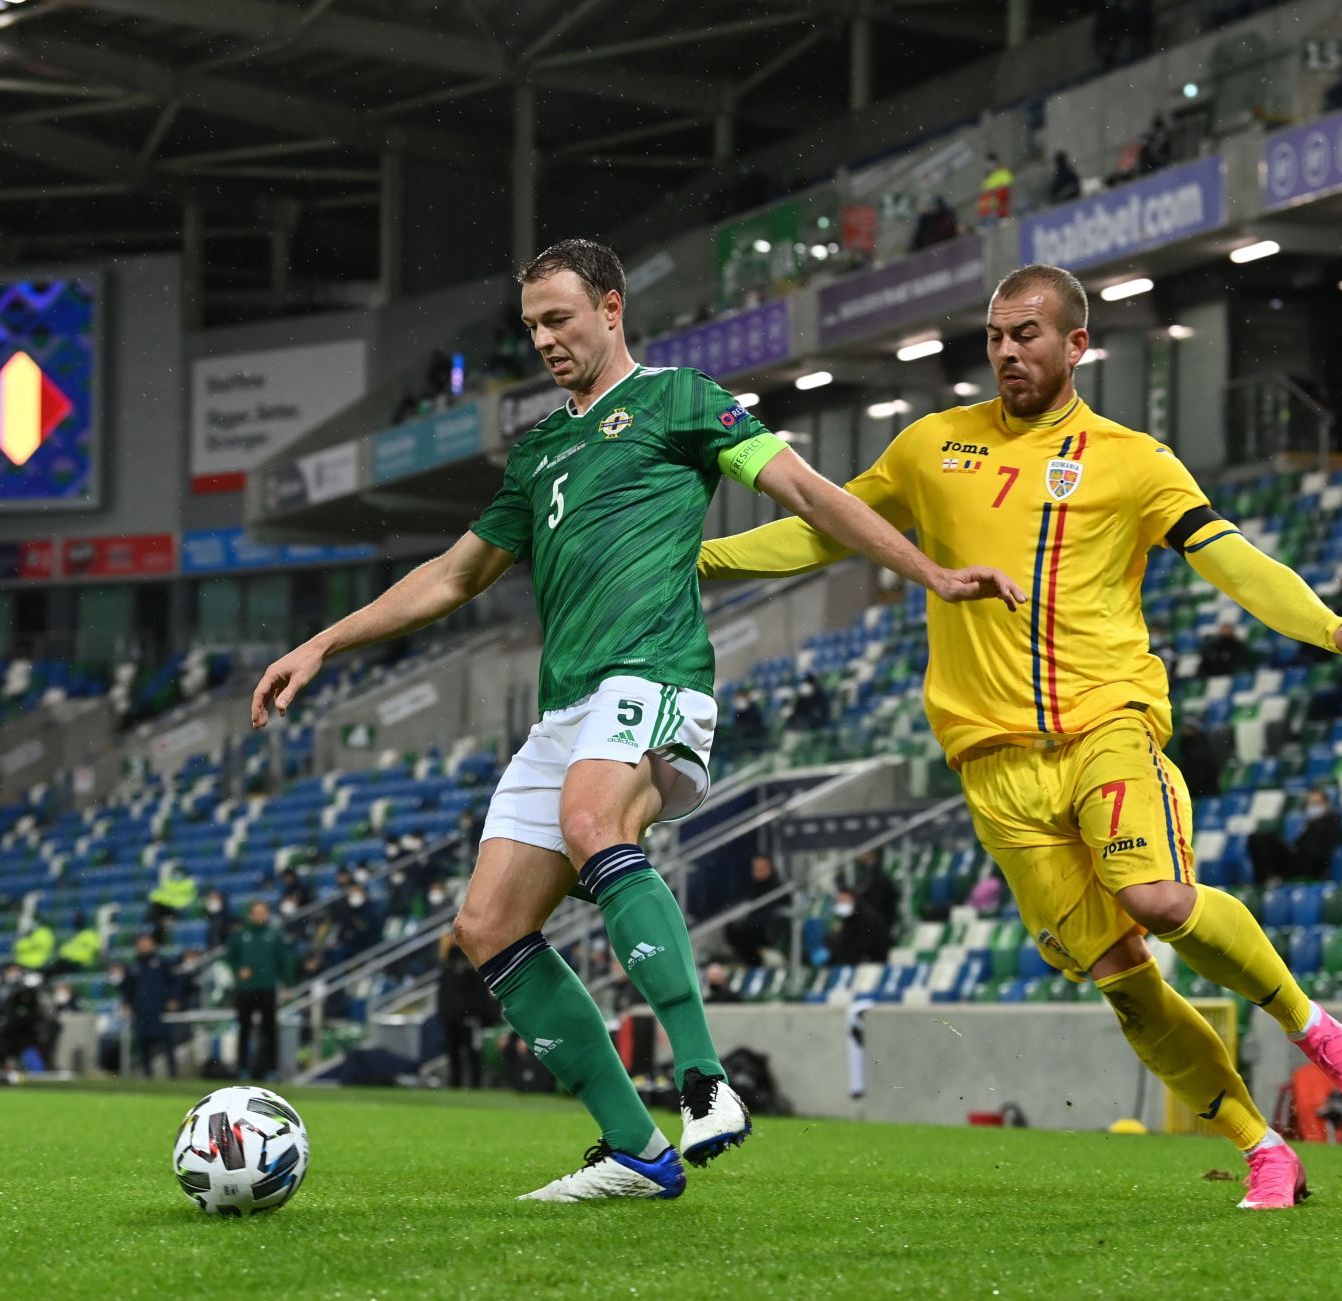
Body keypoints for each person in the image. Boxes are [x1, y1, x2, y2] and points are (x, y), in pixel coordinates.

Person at [252, 236, 1014, 1203]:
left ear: (612, 309)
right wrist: (323, 642)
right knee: (486, 924)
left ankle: (705, 1080)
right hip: (568, 706)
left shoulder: (679, 400)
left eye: (560, 317)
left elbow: (811, 494)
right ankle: (636, 1150)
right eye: (531, 326)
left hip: (652, 674)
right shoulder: (540, 452)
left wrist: (932, 574)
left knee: (591, 820)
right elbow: (452, 576)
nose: (544, 339)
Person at [699, 261, 1342, 1210]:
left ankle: (1312, 1024)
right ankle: (1261, 1146)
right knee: (1122, 976)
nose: (1006, 351)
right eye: (995, 334)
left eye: (1026, 334)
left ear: (1077, 344)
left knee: (1157, 899)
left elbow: (1233, 559)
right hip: (991, 768)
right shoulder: (929, 446)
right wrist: (700, 559)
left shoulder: (1133, 458)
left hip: (1102, 724)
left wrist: (1330, 626)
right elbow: (827, 530)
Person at [225, 899, 293, 1080]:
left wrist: (286, 983)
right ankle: (242, 1068)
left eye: (263, 912)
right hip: (246, 989)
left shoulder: (274, 935)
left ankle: (271, 1069)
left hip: (267, 988)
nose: (260, 916)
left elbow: (284, 960)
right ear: (251, 914)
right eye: (257, 912)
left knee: (269, 1030)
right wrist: (239, 970)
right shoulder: (240, 935)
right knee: (244, 1029)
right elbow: (230, 958)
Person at [1248, 789, 1342, 886]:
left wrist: (1301, 849)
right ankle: (1264, 880)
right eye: (1310, 803)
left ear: (1326, 804)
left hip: (1311, 866)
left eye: (1317, 803)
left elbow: (1330, 850)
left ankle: (1266, 879)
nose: (1313, 807)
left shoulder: (1333, 823)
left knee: (1268, 839)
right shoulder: (1311, 822)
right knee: (1257, 838)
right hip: (1299, 859)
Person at [435, 933, 495, 1089]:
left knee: (472, 1050)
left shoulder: (472, 960)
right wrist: (444, 1013)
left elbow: (479, 992)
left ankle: (476, 1083)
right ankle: (454, 1082)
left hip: (469, 1016)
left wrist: (473, 1013)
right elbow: (444, 992)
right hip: (450, 1016)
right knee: (453, 1050)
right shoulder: (447, 963)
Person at [121, 932, 179, 1077]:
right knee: (144, 1046)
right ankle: (147, 1076)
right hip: (141, 1011)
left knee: (167, 1044)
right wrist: (127, 1004)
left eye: (147, 942)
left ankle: (172, 1075)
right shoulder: (133, 966)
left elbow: (173, 983)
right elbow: (127, 988)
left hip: (160, 1010)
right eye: (141, 943)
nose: (144, 945)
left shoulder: (163, 963)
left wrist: (173, 999)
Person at [724, 854, 788, 967]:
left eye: (762, 869)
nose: (758, 872)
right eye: (756, 869)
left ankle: (759, 963)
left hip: (772, 928)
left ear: (771, 868)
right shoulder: (754, 889)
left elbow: (775, 913)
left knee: (748, 931)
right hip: (755, 927)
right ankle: (754, 964)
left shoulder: (779, 889)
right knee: (731, 929)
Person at [826, 886, 893, 966]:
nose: (840, 904)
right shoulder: (850, 917)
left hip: (871, 962)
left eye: (843, 900)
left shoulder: (866, 916)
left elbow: (862, 944)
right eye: (839, 902)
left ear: (851, 898)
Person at [976, 153, 1014, 226]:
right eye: (987, 163)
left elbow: (1006, 188)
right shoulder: (988, 178)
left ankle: (1001, 216)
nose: (988, 165)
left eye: (990, 162)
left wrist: (994, 194)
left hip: (1001, 203)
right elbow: (984, 193)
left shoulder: (1003, 172)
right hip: (990, 206)